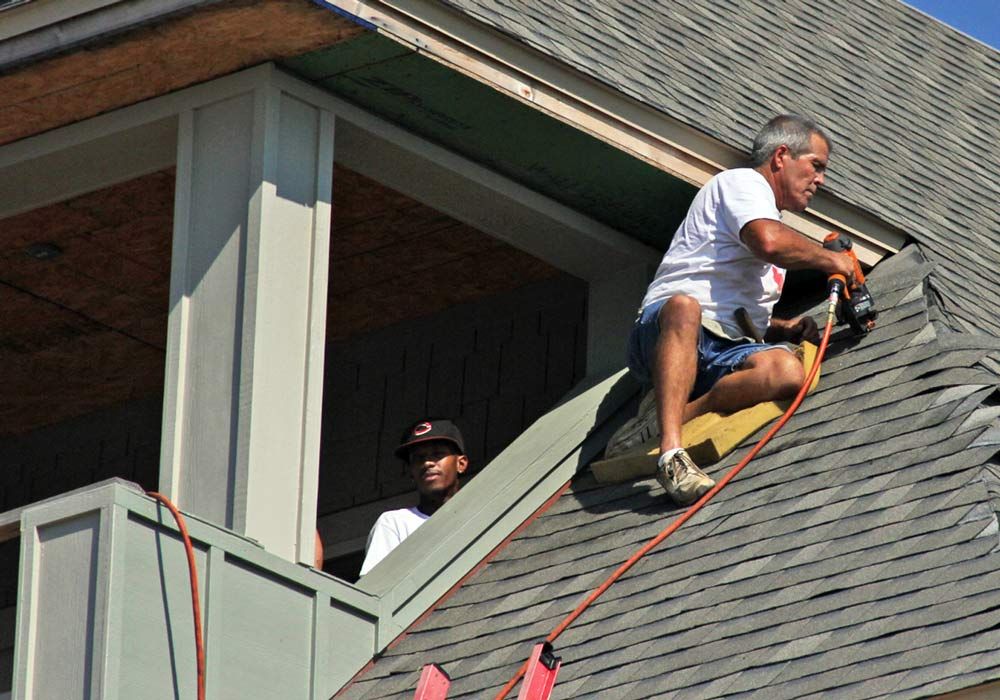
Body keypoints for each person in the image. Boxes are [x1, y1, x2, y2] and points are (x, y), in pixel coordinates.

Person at [627, 114, 855, 506]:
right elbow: (766, 240)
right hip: (666, 331)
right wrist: (832, 261)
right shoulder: (740, 183)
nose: (820, 180)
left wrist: (782, 329)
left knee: (787, 372)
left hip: (724, 348)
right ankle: (671, 454)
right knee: (685, 306)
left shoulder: (769, 222)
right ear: (782, 155)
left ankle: (673, 413)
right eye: (816, 166)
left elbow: (741, 317)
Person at [358, 418, 468, 576]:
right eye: (418, 458)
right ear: (411, 472)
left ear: (461, 464)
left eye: (438, 454)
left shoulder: (483, 515)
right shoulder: (394, 522)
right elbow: (376, 587)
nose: (427, 463)